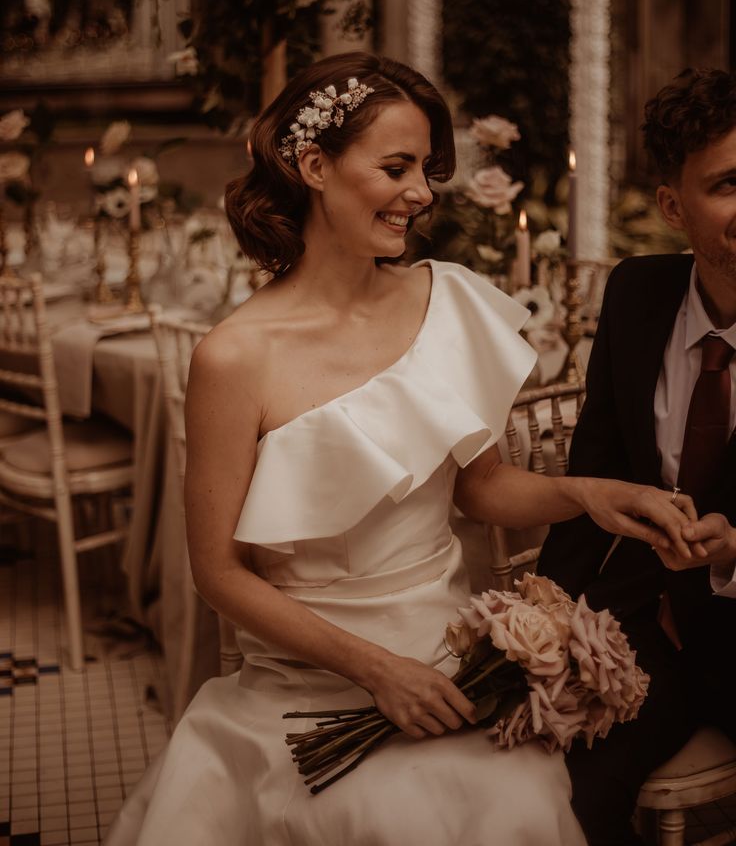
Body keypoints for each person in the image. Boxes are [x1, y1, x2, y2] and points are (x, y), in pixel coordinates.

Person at [104, 52, 694, 846]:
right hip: (307, 683)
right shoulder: (233, 357)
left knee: (514, 807)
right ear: (314, 165)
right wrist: (376, 671)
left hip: (449, 664)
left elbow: (480, 487)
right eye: (396, 167)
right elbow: (217, 572)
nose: (421, 193)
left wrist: (587, 494)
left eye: (425, 168)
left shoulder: (444, 300)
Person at [539, 68, 736, 846]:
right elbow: (596, 472)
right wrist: (543, 618)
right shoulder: (636, 293)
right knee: (564, 796)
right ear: (671, 207)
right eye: (728, 184)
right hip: (644, 631)